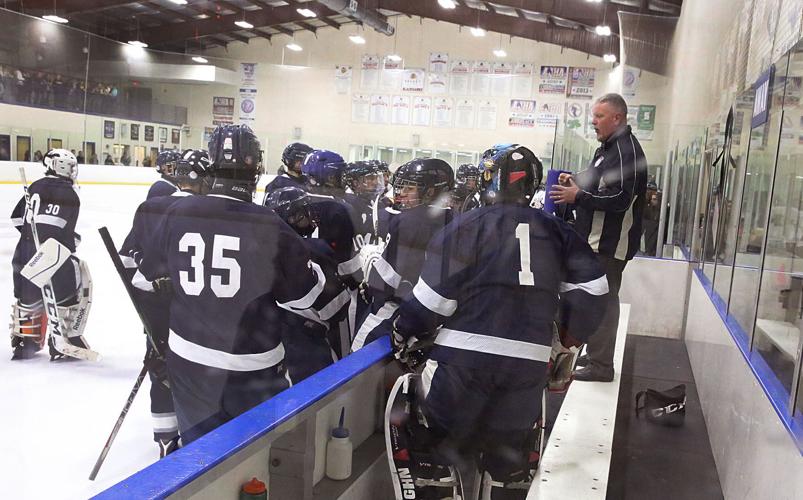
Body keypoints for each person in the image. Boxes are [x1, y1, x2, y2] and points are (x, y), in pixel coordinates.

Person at [387, 145, 608, 499]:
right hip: (526, 369)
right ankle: (505, 474)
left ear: (487, 181)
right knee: (507, 458)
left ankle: (436, 472)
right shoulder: (556, 230)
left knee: (428, 436)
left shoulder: (465, 226)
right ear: (533, 185)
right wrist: (563, 339)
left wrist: (402, 332)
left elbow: (430, 304)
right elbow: (595, 289)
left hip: (462, 366)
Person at [137, 124, 331, 444]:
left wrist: (158, 342)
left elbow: (145, 282)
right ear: (255, 166)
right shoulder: (270, 223)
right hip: (252, 369)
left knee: (200, 458)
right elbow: (306, 297)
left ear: (211, 163)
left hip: (189, 360)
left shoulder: (177, 211)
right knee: (252, 459)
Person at [549, 92, 648, 382]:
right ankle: (594, 358)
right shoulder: (608, 147)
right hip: (594, 242)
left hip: (608, 245)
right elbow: (599, 178)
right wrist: (576, 180)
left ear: (617, 118)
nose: (593, 121)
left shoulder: (625, 152)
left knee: (604, 303)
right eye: (594, 116)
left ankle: (602, 366)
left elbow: (619, 198)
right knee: (594, 300)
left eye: (599, 116)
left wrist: (576, 195)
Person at [120, 148, 212, 457]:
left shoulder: (151, 207)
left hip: (154, 310)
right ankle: (197, 433)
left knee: (159, 369)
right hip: (193, 309)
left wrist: (143, 298)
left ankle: (165, 440)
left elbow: (126, 260)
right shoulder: (209, 210)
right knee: (195, 369)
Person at [351, 158, 453, 351]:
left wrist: (369, 279)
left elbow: (386, 281)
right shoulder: (459, 221)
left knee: (356, 356)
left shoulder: (408, 220)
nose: (402, 194)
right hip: (440, 319)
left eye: (409, 188)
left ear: (430, 191)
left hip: (398, 312)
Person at [10, 149, 92, 360]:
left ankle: (25, 341)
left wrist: (29, 238)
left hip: (25, 253)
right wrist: (69, 242)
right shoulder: (70, 192)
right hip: (54, 257)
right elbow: (62, 233)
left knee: (27, 298)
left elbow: (17, 220)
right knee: (78, 285)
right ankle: (64, 340)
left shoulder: (35, 186)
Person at [264, 187, 350, 379]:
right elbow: (338, 307)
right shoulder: (316, 249)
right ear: (292, 218)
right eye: (305, 212)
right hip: (307, 344)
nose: (312, 216)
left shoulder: (259, 246)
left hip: (271, 343)